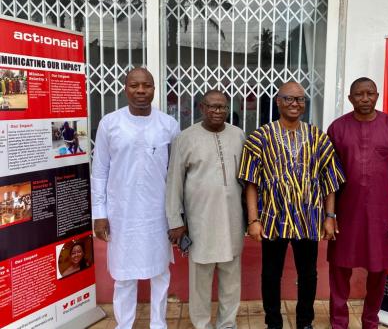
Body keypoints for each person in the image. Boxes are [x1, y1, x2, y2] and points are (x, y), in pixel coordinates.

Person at [238, 81, 345, 329]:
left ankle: (304, 322)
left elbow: (329, 180)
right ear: (277, 102)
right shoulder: (260, 137)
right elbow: (251, 183)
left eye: (300, 100)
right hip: (272, 219)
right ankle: (273, 323)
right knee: (271, 275)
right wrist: (253, 220)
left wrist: (330, 216)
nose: (295, 104)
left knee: (308, 275)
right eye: (289, 99)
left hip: (308, 219)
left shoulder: (318, 137)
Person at [91, 67, 179, 329]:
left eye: (147, 85)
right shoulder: (110, 123)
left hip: (158, 212)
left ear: (154, 89)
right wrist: (99, 214)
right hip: (122, 213)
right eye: (134, 85)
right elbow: (99, 171)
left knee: (160, 272)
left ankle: (158, 323)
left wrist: (176, 215)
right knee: (124, 274)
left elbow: (175, 174)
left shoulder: (169, 125)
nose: (141, 91)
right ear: (124, 88)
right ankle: (124, 324)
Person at [326, 77, 388, 329]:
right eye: (359, 94)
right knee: (339, 269)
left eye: (370, 94)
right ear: (350, 98)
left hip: (382, 215)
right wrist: (329, 216)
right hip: (346, 213)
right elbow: (328, 177)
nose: (364, 99)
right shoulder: (337, 129)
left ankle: (370, 322)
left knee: (378, 272)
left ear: (377, 96)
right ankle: (339, 323)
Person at [166, 90, 246, 329]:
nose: (217, 111)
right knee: (200, 279)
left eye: (221, 107)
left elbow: (247, 180)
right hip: (200, 221)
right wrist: (175, 221)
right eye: (211, 107)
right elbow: (174, 183)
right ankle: (201, 324)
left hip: (232, 219)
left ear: (228, 109)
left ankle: (227, 323)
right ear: (202, 108)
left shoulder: (239, 135)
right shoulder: (185, 138)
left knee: (231, 278)